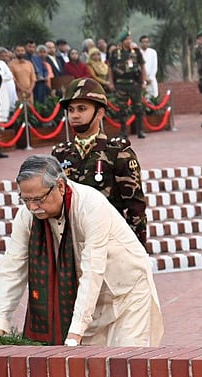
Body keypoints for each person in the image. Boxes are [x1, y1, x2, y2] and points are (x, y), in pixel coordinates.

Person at [0, 155, 163, 347]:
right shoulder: (27, 216)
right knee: (90, 372)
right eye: (25, 199)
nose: (33, 207)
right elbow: (12, 267)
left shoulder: (91, 206)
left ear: (60, 187)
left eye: (38, 199)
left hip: (127, 296)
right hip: (84, 303)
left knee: (127, 365)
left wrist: (76, 331)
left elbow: (93, 269)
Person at [53, 78, 148, 249]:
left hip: (109, 244)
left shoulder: (118, 153)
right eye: (71, 109)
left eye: (82, 109)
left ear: (100, 113)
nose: (74, 115)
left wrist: (136, 251)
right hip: (72, 245)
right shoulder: (60, 154)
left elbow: (135, 207)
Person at [107, 29, 147, 138]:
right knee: (122, 109)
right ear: (122, 41)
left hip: (134, 83)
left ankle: (140, 131)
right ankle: (123, 132)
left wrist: (144, 80)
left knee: (138, 108)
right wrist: (110, 82)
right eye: (127, 39)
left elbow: (142, 65)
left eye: (130, 39)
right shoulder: (115, 53)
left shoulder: (136, 51)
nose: (129, 41)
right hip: (121, 84)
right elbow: (110, 68)